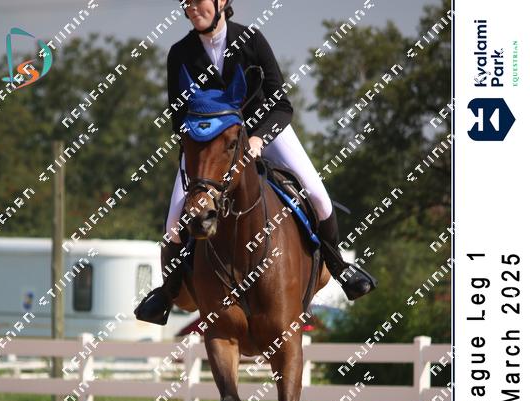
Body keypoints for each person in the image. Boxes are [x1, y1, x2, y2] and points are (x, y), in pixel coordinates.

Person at [135, 0, 377, 325]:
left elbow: (282, 105)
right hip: (211, 147)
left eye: (198, 0)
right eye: (186, 3)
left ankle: (339, 267)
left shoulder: (250, 40)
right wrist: (204, 144)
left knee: (318, 196)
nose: (191, 8)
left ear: (222, 2)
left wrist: (258, 138)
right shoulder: (180, 53)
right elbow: (178, 117)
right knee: (173, 225)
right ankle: (168, 292)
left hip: (265, 132)